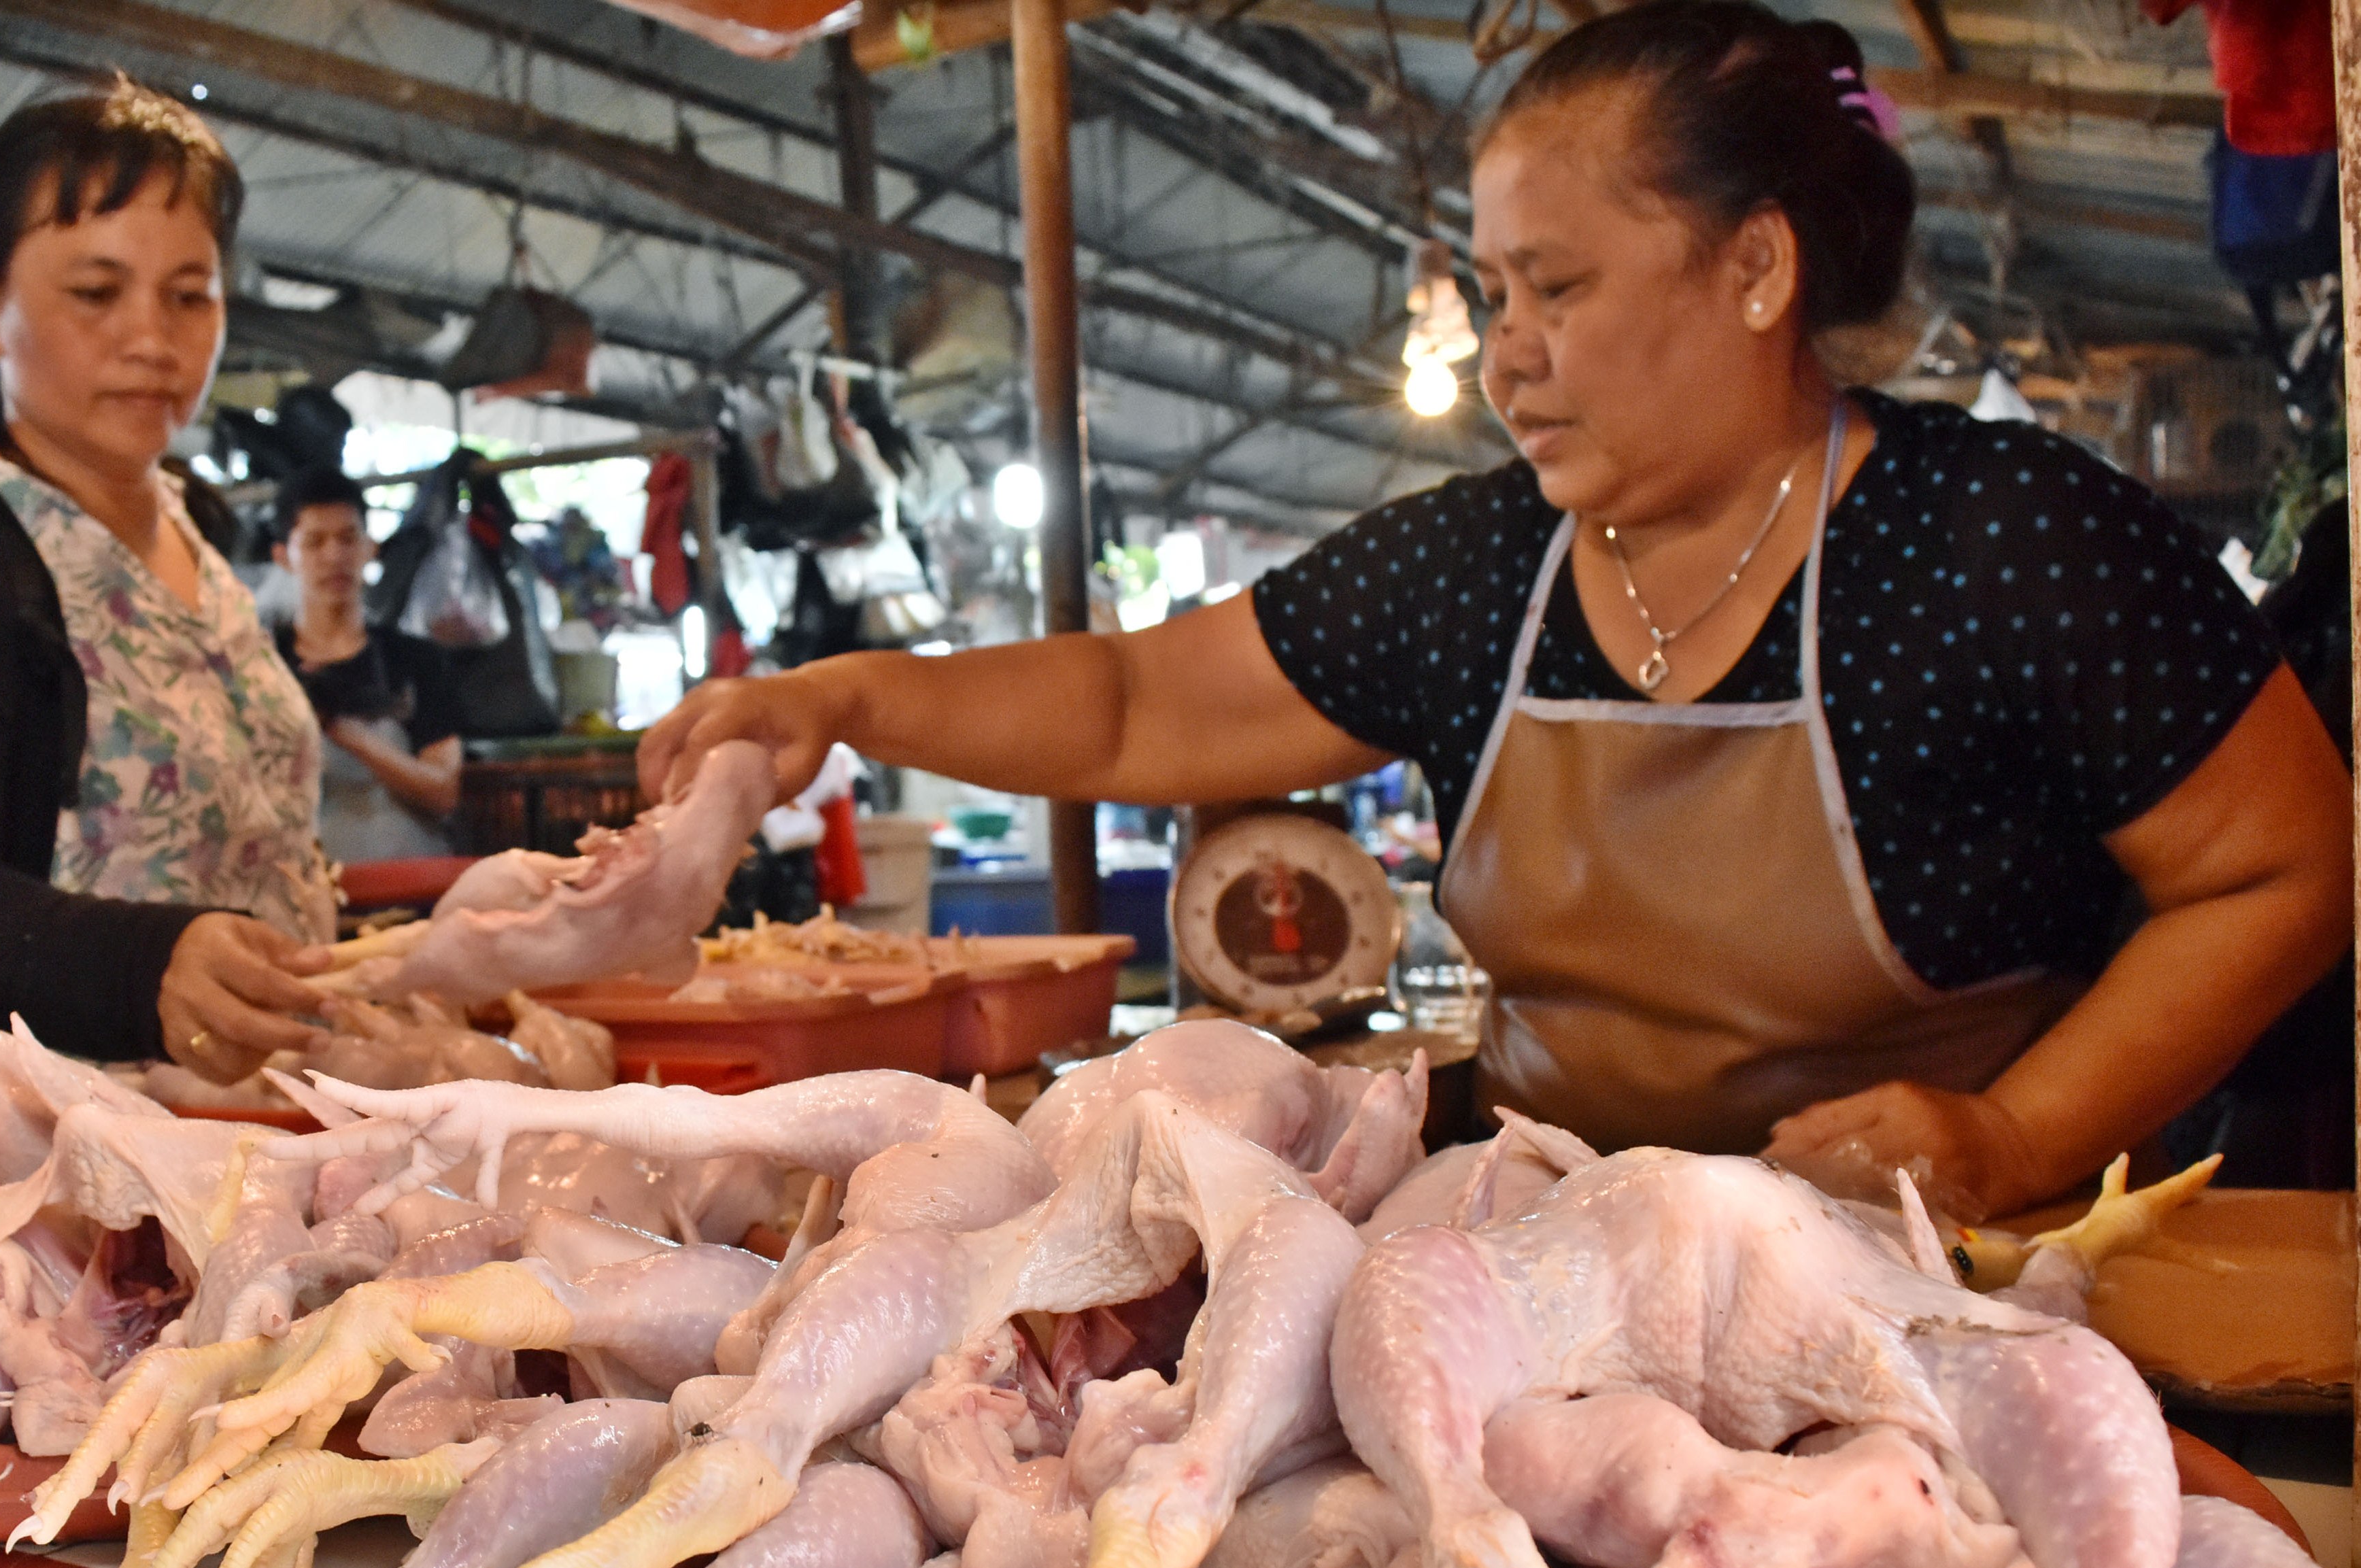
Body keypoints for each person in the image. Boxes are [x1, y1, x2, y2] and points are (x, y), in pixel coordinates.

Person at [639, 0, 2353, 1215]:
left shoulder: (2000, 544)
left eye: (1560, 288)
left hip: (1951, 1264)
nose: (1508, 349)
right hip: (1549, 1260)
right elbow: (1135, 710)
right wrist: (846, 694)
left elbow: (2290, 868)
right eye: (1494, 290)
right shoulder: (1479, 566)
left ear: (1755, 270)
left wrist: (2012, 1135)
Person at [0, 80, 337, 1083]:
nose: (151, 340)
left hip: (273, 1124)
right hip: (78, 1165)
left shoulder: (196, 527)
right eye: (95, 292)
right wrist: (139, 966)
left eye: (188, 295)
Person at [267, 464, 466, 861]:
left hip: (408, 885)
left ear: (370, 547)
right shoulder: (263, 663)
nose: (334, 556)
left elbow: (443, 792)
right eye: (314, 542)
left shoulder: (416, 660)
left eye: (347, 538)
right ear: (283, 556)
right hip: (301, 891)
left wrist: (341, 728)